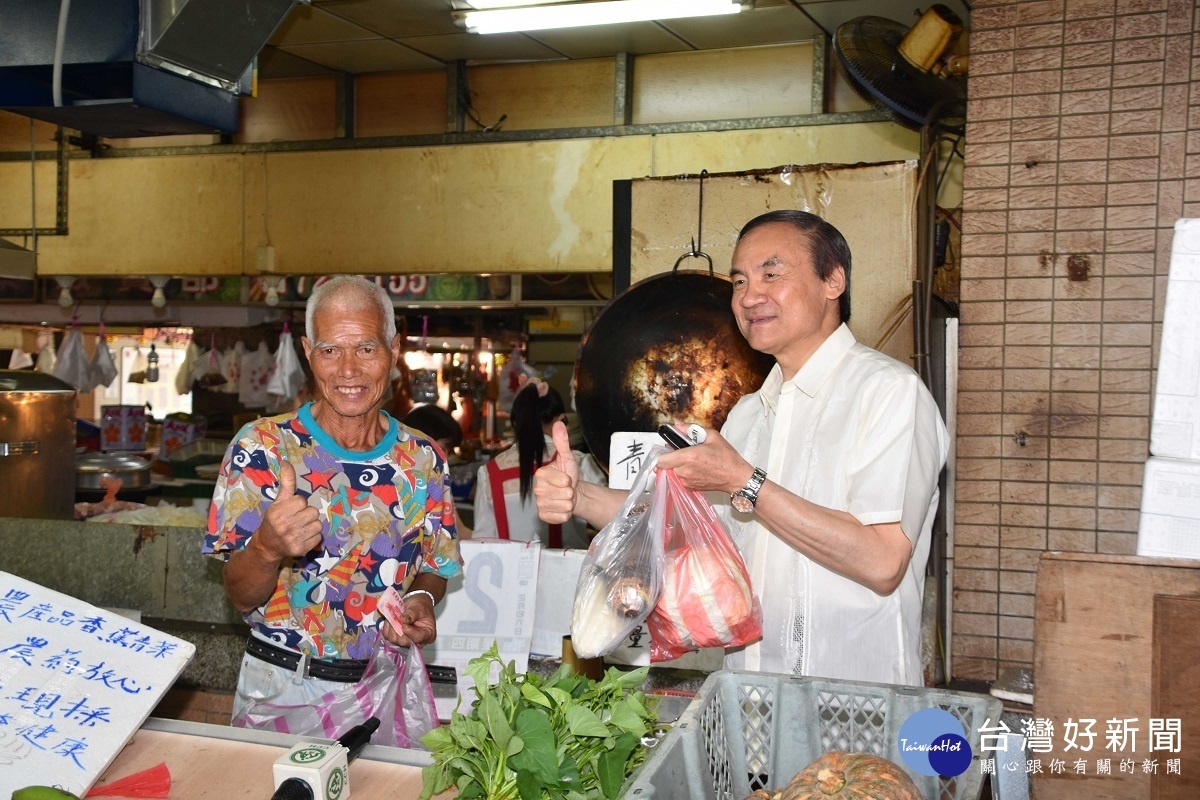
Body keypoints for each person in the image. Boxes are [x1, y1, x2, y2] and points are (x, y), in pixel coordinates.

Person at [534, 210, 948, 686]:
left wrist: (745, 482)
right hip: (747, 702)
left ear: (833, 280)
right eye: (738, 281)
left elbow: (883, 561)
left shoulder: (889, 392)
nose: (750, 296)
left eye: (771, 274)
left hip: (856, 703)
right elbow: (680, 530)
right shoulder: (750, 413)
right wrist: (580, 496)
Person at [203, 275, 463, 734]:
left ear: (394, 349)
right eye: (329, 350)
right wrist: (266, 547)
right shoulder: (261, 449)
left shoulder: (424, 459)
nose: (347, 370)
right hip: (283, 687)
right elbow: (239, 594)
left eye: (365, 348)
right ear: (308, 352)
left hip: (385, 686)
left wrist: (421, 597)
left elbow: (435, 564)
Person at [473, 378, 604, 548]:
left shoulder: (490, 472)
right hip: (568, 572)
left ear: (516, 421)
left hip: (508, 572)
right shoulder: (579, 463)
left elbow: (481, 540)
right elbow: (616, 521)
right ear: (561, 420)